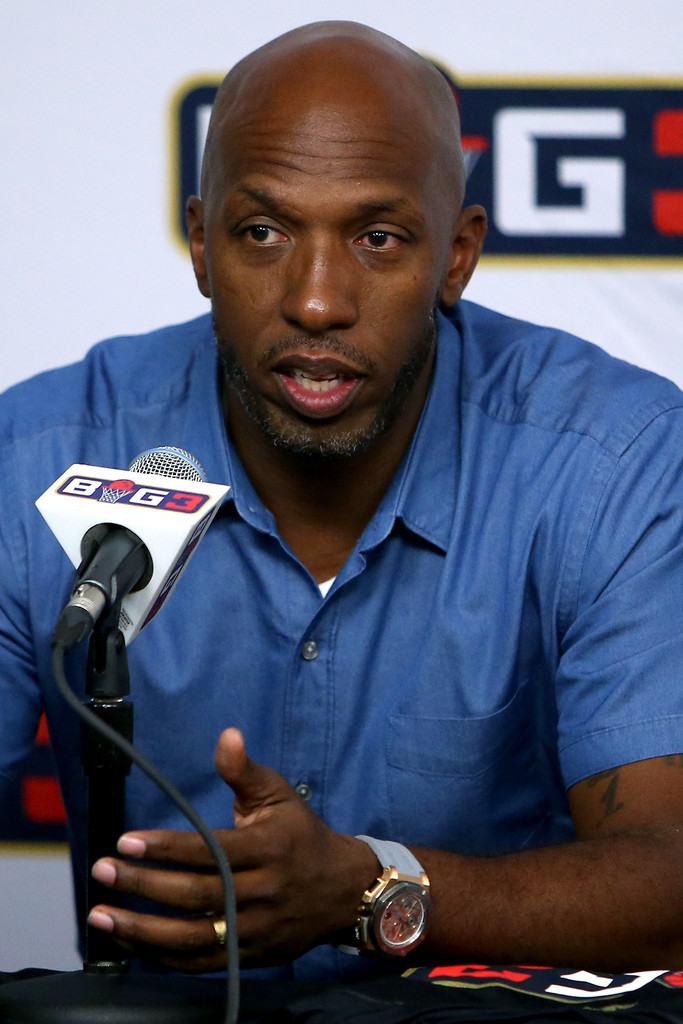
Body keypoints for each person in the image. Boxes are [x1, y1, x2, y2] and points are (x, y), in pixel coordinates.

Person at [1, 19, 683, 984]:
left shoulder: (613, 462)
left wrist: (371, 891)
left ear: (456, 256)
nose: (317, 301)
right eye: (264, 232)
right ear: (200, 244)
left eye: (376, 238)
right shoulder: (38, 456)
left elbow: (667, 882)